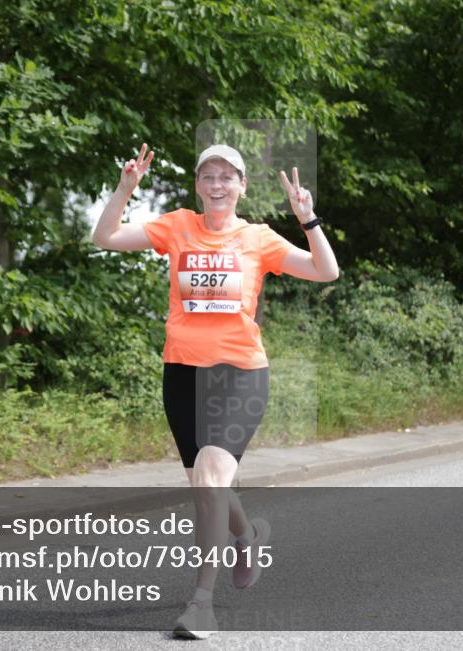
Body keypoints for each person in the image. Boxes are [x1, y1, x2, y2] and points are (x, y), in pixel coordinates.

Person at [92, 142, 339, 639]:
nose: (218, 184)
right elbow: (106, 237)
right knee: (207, 486)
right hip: (182, 373)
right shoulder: (177, 226)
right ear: (199, 186)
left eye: (228, 176)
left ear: (242, 186)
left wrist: (308, 220)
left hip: (240, 372)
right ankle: (246, 537)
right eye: (209, 176)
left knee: (209, 478)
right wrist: (126, 188)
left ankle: (201, 603)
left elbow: (325, 271)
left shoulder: (259, 238)